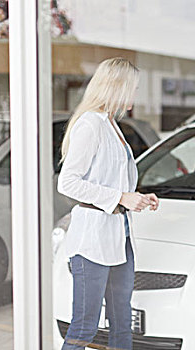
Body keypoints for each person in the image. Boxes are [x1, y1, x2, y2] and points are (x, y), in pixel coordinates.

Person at [58, 57, 159, 350]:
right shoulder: (90, 125)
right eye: (133, 88)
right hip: (92, 241)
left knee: (122, 326)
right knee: (83, 329)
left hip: (119, 236)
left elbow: (112, 179)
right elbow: (68, 182)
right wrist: (119, 198)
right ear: (116, 86)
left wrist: (136, 196)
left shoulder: (112, 124)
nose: (135, 94)